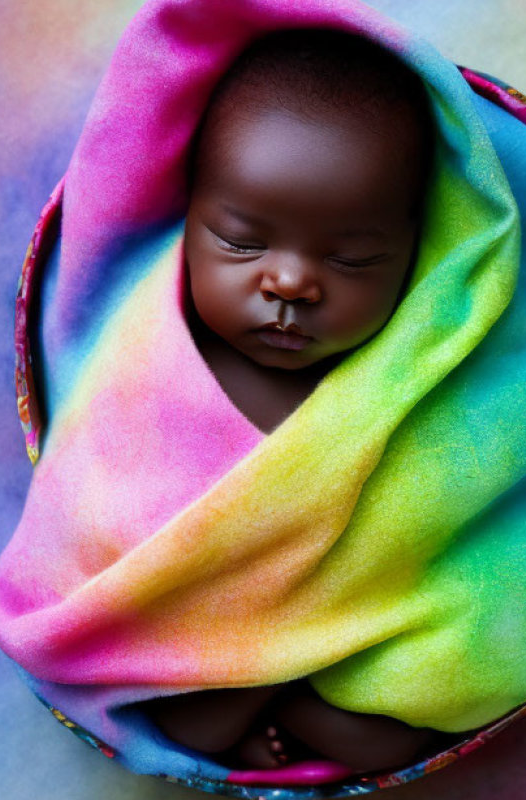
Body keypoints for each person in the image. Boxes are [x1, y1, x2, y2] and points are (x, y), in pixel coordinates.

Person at [143, 29, 444, 772]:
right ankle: (265, 691)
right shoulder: (159, 354)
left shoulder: (403, 372)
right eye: (241, 242)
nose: (291, 285)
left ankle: (285, 695)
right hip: (194, 625)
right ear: (186, 216)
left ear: (418, 250)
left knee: (399, 732)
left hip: (349, 626)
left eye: (351, 259)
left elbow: (435, 512)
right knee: (190, 724)